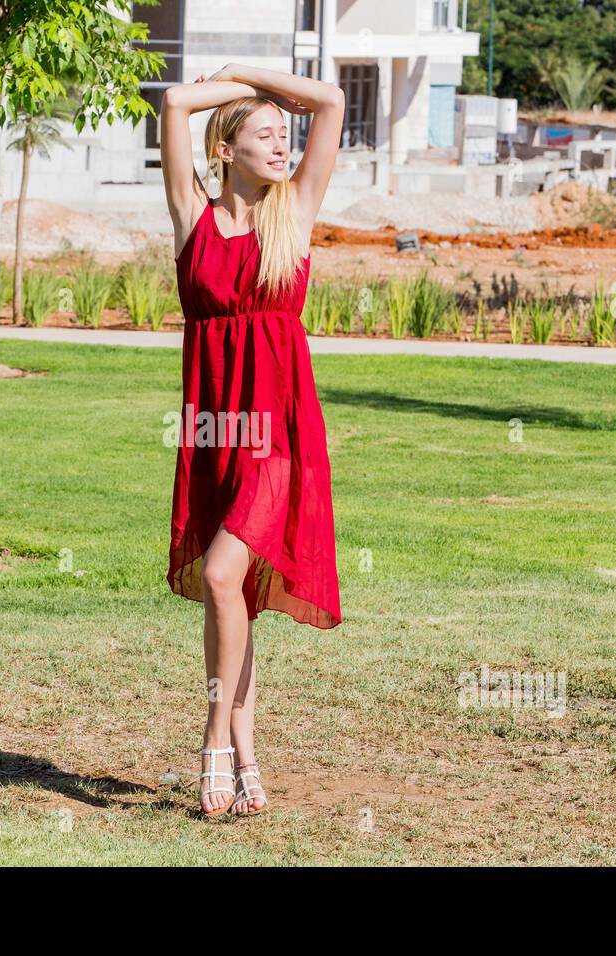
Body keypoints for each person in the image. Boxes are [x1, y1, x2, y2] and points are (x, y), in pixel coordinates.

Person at [159, 63, 345, 817]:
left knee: (218, 575)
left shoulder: (293, 213)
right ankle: (245, 745)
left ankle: (211, 740)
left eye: (285, 134)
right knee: (230, 593)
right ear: (226, 147)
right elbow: (173, 99)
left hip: (277, 435)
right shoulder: (192, 219)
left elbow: (329, 100)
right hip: (213, 431)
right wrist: (228, 88)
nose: (281, 144)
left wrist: (248, 77)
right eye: (265, 134)